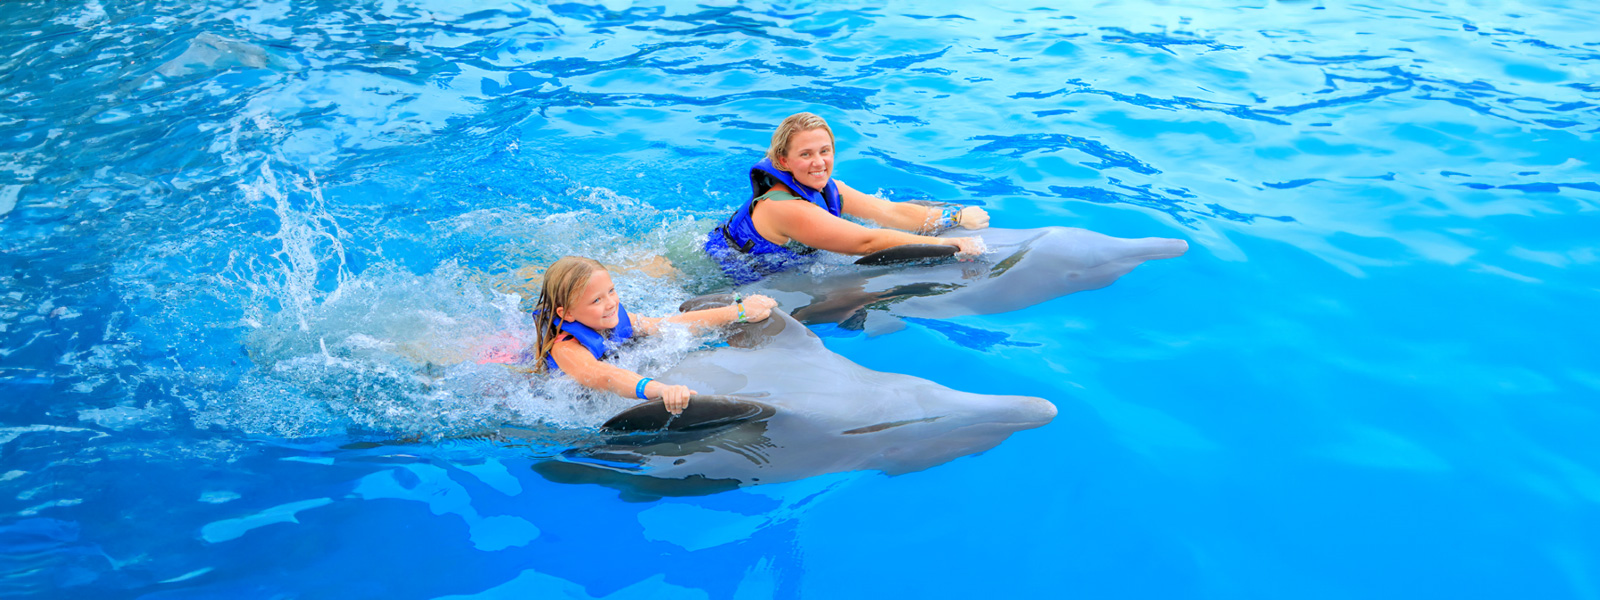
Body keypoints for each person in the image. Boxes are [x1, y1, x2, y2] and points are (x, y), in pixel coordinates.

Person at [704, 111, 992, 283]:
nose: (819, 163)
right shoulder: (783, 208)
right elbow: (865, 242)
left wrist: (955, 216)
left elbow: (891, 213)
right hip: (715, 277)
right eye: (805, 154)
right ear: (782, 161)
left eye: (824, 151)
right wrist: (947, 244)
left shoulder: (831, 189)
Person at [530, 256, 777, 415]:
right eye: (596, 300)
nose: (610, 303)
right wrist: (659, 390)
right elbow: (604, 376)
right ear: (568, 314)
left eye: (611, 291)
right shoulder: (566, 349)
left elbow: (672, 325)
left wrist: (739, 311)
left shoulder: (614, 320)